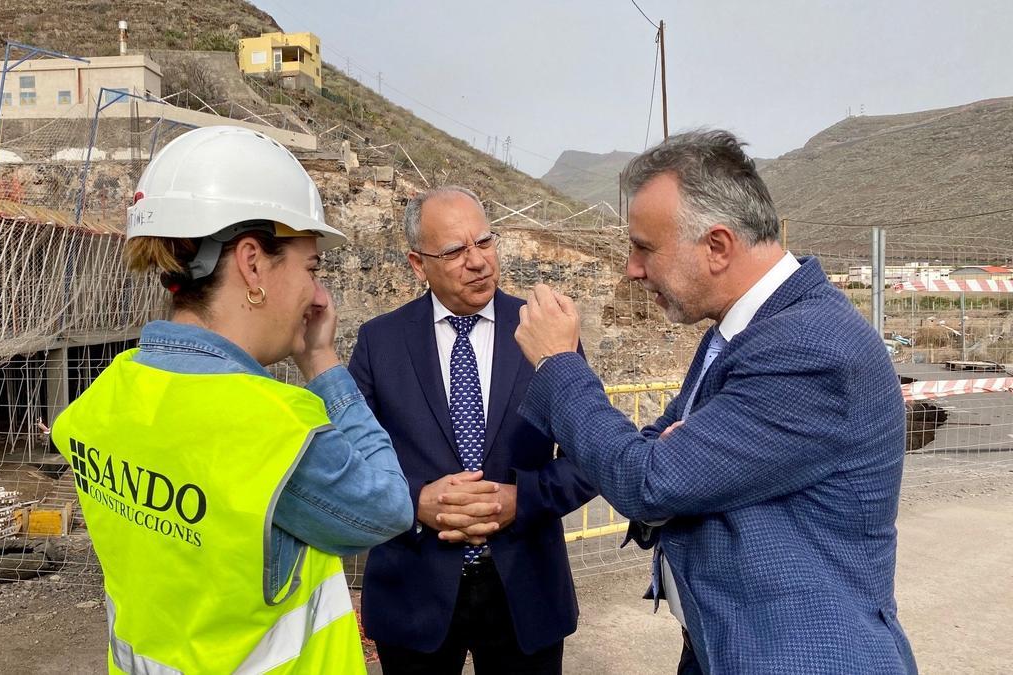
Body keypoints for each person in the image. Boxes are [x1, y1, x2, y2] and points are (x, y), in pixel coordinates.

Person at [513, 130, 918, 674]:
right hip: (725, 645)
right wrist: (666, 460)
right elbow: (658, 443)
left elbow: (646, 480)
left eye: (644, 248)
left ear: (718, 246)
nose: (632, 268)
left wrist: (559, 365)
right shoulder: (742, 329)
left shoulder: (811, 349)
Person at [51, 126, 413, 674]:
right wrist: (322, 363)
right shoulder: (273, 428)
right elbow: (388, 507)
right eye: (311, 269)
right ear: (252, 264)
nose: (317, 295)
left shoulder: (106, 397)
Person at [348, 186, 597, 674]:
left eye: (484, 243)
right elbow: (348, 458)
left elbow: (589, 458)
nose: (478, 261)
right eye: (455, 251)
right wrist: (415, 501)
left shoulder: (543, 331)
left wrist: (518, 500)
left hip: (525, 590)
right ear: (418, 264)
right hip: (413, 593)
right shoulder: (380, 341)